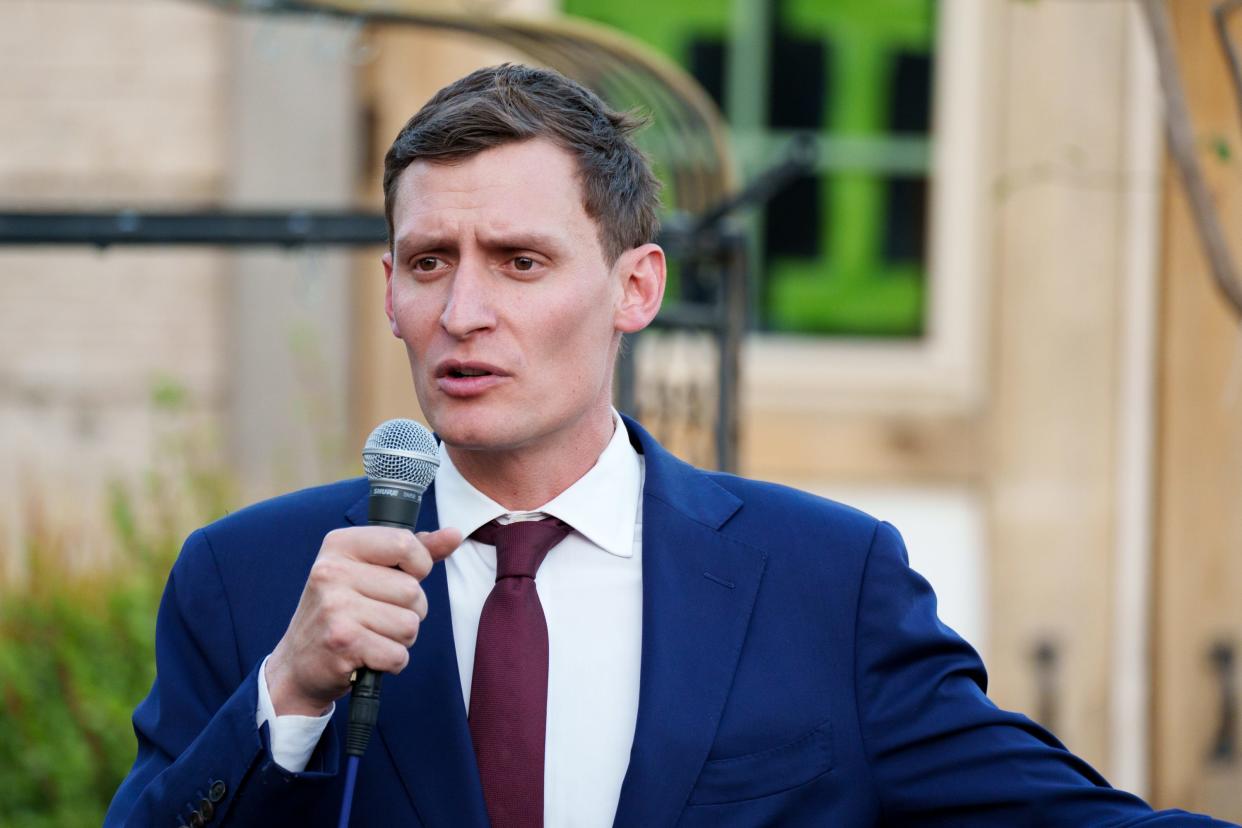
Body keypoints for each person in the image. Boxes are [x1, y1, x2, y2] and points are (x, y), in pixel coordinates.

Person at [106, 63, 1234, 828]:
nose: (463, 313)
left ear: (634, 288)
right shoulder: (248, 579)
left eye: (521, 261)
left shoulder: (823, 584)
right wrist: (286, 695)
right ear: (388, 289)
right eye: (431, 261)